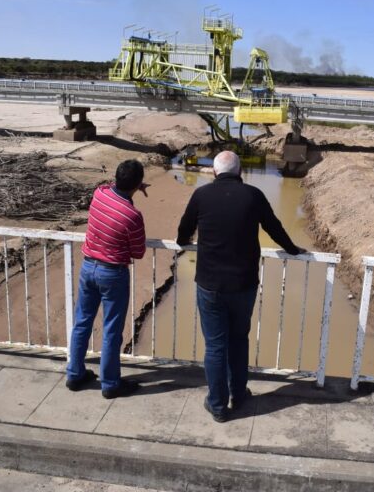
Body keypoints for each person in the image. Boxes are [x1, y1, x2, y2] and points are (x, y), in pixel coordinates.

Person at [177, 151, 304, 422]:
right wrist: (293, 249)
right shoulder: (253, 195)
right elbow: (274, 227)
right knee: (238, 340)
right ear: (240, 172)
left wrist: (183, 241)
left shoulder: (201, 195)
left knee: (214, 346)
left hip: (210, 285)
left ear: (214, 172)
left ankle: (218, 405)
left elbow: (183, 231)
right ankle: (239, 393)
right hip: (244, 284)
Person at [66, 160, 150, 399]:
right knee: (112, 330)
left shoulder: (99, 193)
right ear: (136, 185)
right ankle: (111, 384)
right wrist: (134, 193)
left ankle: (74, 373)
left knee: (82, 322)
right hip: (112, 273)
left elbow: (113, 189)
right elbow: (138, 252)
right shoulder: (132, 216)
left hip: (88, 266)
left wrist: (131, 187)